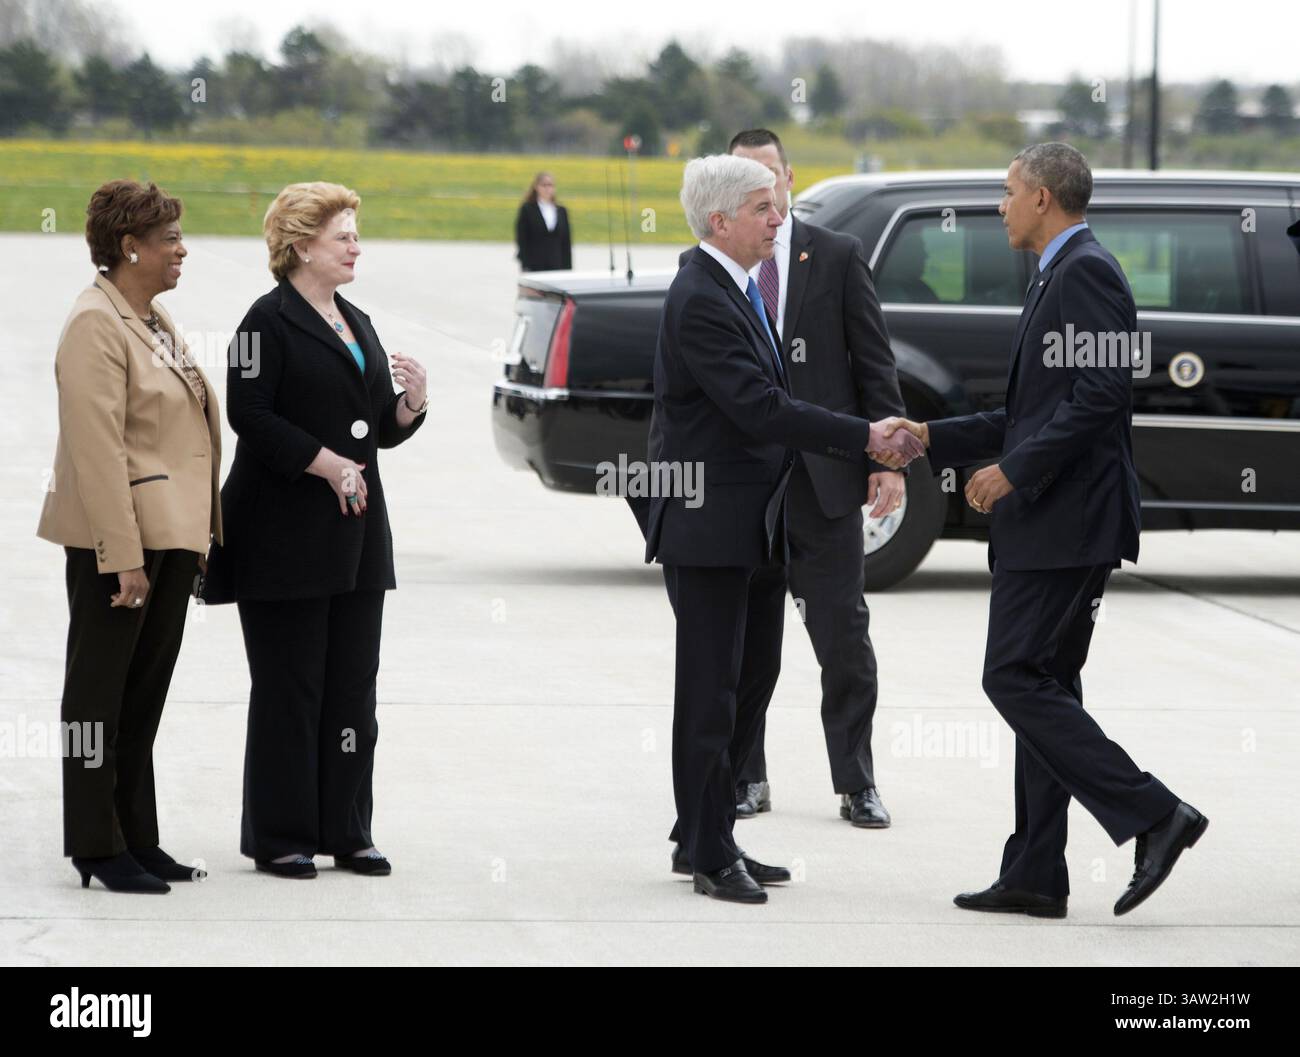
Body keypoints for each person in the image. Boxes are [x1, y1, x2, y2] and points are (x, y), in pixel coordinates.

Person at [880, 143, 1207, 918]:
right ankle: (1033, 871)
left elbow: (1099, 396)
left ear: (1044, 200)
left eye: (1008, 191)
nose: (999, 205)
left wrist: (1016, 470)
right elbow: (1030, 411)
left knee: (1013, 677)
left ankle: (1155, 814)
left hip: (1068, 521)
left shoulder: (1086, 271)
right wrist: (929, 436)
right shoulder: (1057, 273)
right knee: (1045, 686)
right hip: (1056, 522)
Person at [648, 154, 922, 904]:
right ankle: (706, 850)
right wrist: (866, 433)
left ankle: (708, 833)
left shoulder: (734, 286)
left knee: (749, 679)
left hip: (753, 524)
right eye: (765, 208)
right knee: (710, 690)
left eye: (777, 205)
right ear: (722, 221)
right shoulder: (703, 295)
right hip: (710, 526)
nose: (780, 218)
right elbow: (761, 408)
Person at [202, 182, 428, 879]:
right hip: (283, 538)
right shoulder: (262, 323)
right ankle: (282, 835)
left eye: (356, 234)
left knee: (353, 689)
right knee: (290, 689)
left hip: (357, 538)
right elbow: (250, 414)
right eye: (344, 236)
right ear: (302, 245)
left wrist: (410, 406)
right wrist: (323, 462)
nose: (357, 246)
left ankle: (347, 829)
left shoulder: (354, 318)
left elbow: (374, 426)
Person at [38, 179, 222, 893]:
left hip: (167, 541)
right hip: (119, 547)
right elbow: (97, 448)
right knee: (97, 698)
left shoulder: (149, 316)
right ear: (129, 246)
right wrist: (123, 559)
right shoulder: (95, 322)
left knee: (140, 698)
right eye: (169, 238)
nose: (182, 250)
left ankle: (135, 836)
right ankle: (95, 843)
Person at [722, 128, 908, 829]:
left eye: (768, 177)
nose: (761, 195)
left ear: (790, 177)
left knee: (843, 639)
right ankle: (747, 776)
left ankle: (856, 781)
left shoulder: (835, 256)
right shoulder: (721, 267)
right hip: (747, 491)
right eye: (744, 182)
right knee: (746, 645)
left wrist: (886, 461)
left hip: (824, 486)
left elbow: (874, 364)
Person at [514, 172, 572, 271]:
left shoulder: (561, 211)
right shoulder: (528, 209)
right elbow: (522, 238)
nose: (547, 189)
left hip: (557, 264)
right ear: (536, 187)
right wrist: (525, 264)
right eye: (544, 185)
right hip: (534, 264)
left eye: (550, 185)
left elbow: (566, 242)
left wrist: (568, 268)